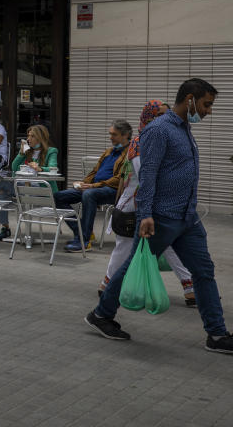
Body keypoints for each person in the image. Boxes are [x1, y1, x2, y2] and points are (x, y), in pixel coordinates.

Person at [86, 78, 233, 354]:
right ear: (190, 99)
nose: (208, 111)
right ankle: (101, 314)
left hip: (187, 217)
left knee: (204, 272)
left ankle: (216, 334)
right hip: (163, 218)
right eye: (206, 104)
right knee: (132, 266)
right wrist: (146, 215)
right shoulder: (159, 130)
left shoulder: (184, 127)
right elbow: (148, 174)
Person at [97, 100, 195, 305]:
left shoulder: (160, 139)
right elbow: (145, 177)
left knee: (168, 244)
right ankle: (106, 288)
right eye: (158, 115)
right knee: (124, 248)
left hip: (154, 206)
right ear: (146, 117)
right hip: (134, 206)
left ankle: (190, 286)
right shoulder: (140, 142)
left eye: (165, 115)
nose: (162, 120)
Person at [53, 119, 131, 252]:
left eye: (114, 134)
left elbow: (119, 179)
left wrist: (93, 186)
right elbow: (95, 171)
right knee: (58, 196)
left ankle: (85, 240)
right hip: (95, 187)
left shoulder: (129, 154)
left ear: (125, 135)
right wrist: (84, 183)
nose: (110, 137)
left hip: (113, 191)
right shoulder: (108, 151)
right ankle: (82, 233)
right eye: (110, 134)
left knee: (89, 194)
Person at [0, 124, 59, 241]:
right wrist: (21, 153)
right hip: (24, 188)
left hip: (42, 191)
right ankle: (5, 227)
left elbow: (53, 168)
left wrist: (41, 168)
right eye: (28, 136)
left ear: (40, 138)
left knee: (2, 184)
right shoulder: (28, 152)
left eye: (32, 136)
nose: (28, 139)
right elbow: (14, 167)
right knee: (1, 192)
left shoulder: (51, 151)